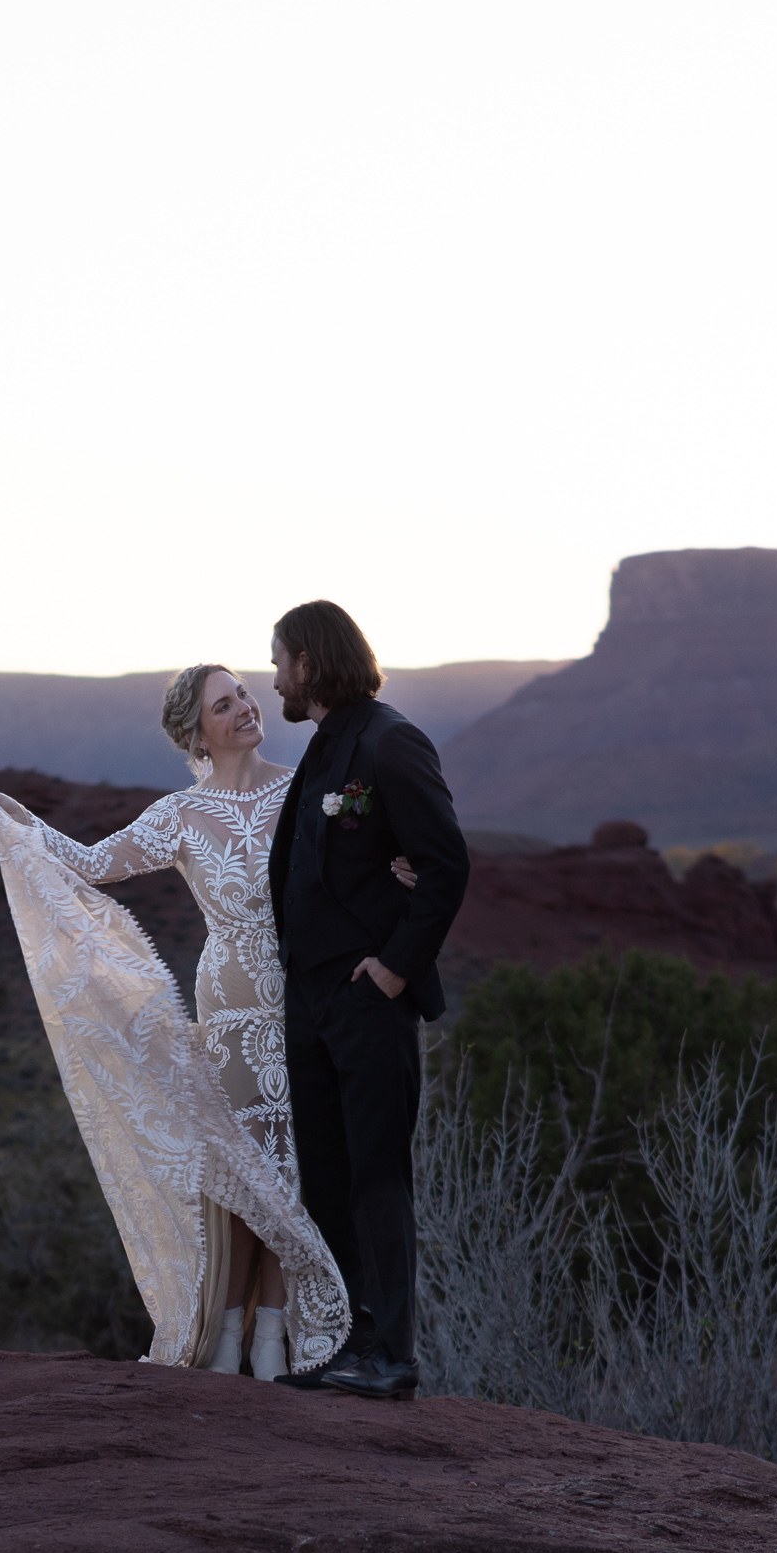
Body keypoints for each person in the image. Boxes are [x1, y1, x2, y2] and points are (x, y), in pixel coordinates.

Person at [0, 666, 407, 1381]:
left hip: (303, 1003)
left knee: (295, 1174)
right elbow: (90, 864)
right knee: (241, 1176)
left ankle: (278, 1342)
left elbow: (357, 862)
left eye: (243, 695)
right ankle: (227, 1336)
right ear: (195, 732)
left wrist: (403, 867)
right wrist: (13, 822)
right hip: (231, 1012)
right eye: (224, 704)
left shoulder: (303, 787)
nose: (245, 708)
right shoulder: (176, 815)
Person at [267, 600, 470, 1401]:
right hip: (308, 1003)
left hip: (366, 999)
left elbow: (445, 865)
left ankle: (393, 1355)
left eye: (279, 659)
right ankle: (355, 1342)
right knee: (325, 1176)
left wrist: (392, 968)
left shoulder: (389, 742)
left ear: (309, 663)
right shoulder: (322, 750)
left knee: (377, 1177)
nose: (274, 675)